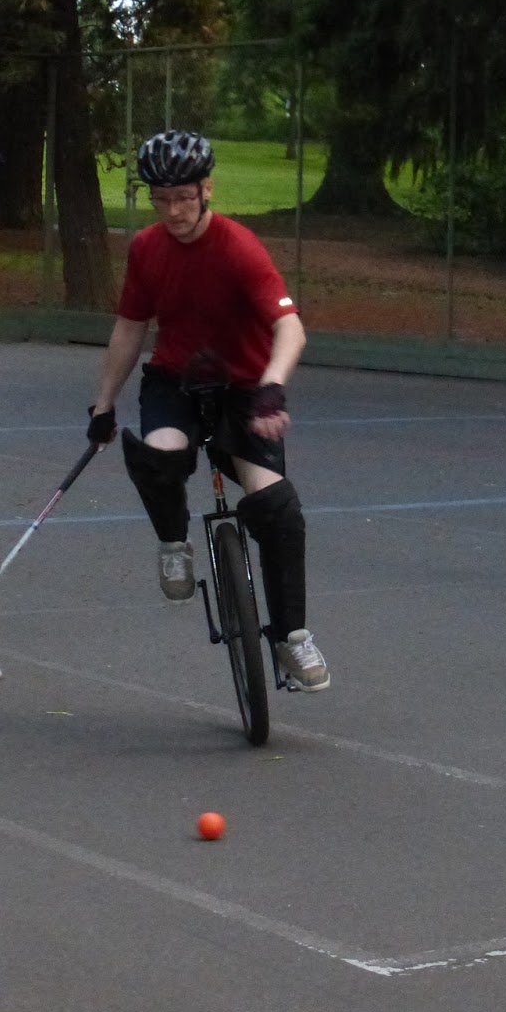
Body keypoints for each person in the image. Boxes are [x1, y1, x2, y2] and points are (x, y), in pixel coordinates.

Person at [87, 129, 329, 692]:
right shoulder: (146, 248)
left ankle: (293, 640)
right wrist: (104, 405)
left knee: (278, 509)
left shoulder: (239, 246)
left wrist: (272, 387)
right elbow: (129, 328)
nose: (173, 210)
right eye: (161, 198)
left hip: (246, 389)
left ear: (206, 190)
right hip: (175, 380)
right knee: (158, 458)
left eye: (184, 197)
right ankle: (174, 544)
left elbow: (289, 328)